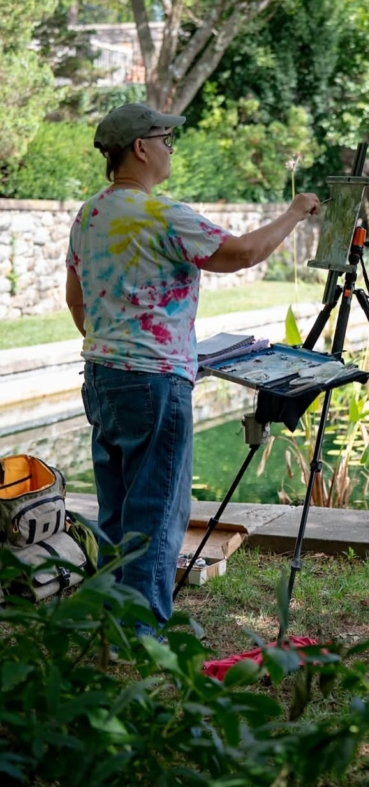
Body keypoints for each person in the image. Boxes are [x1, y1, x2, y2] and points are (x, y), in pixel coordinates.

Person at [65, 102, 319, 634]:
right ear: (141, 147)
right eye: (166, 140)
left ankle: (114, 619)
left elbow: (77, 301)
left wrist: (115, 342)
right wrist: (296, 212)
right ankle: (145, 633)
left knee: (117, 507)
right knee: (158, 511)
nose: (169, 149)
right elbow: (243, 253)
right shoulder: (163, 215)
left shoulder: (88, 214)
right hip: (155, 381)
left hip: (102, 375)